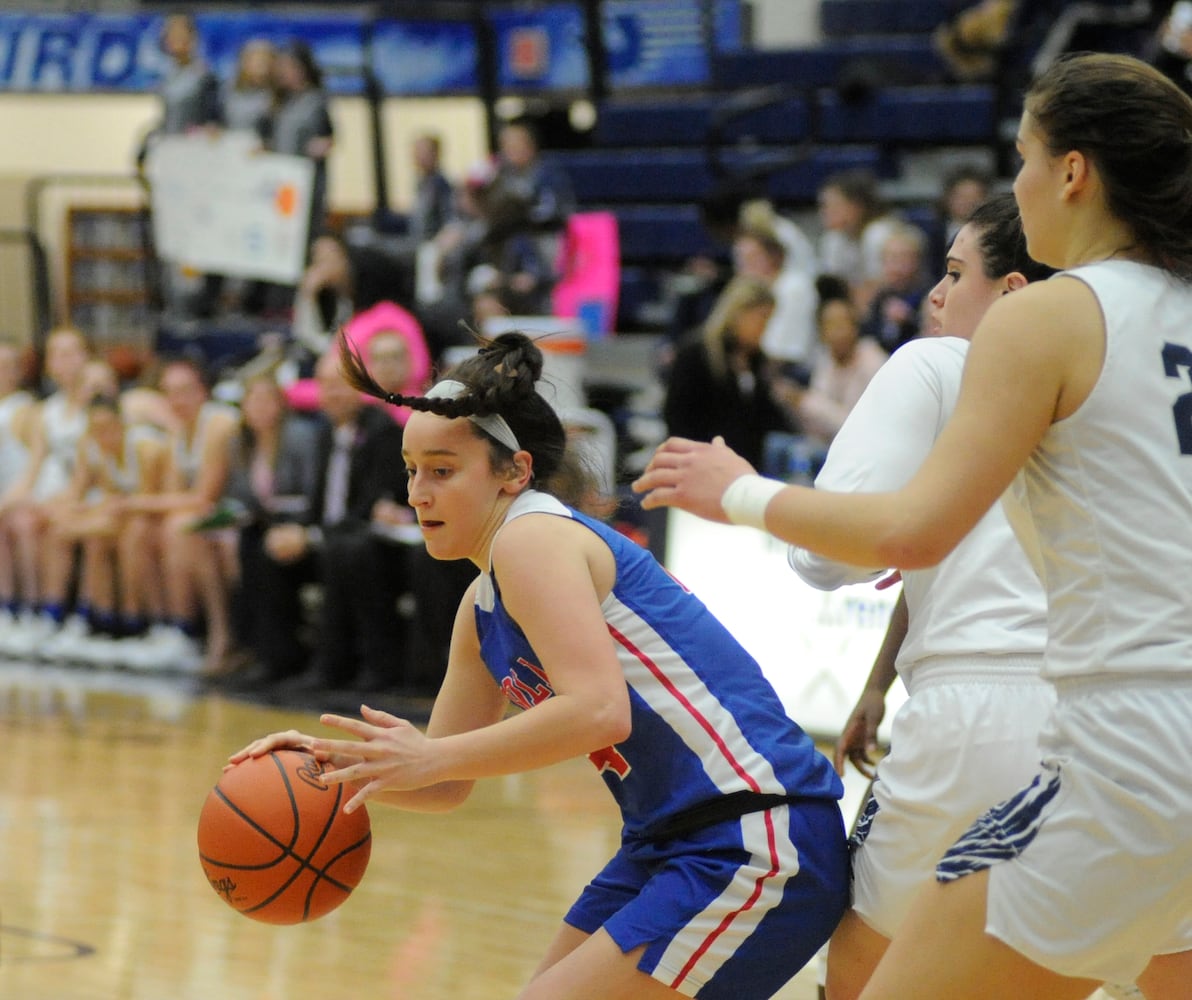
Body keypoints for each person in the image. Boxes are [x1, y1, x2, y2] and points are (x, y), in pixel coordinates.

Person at [634, 52, 1192, 999]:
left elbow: (913, 532)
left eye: (1022, 156)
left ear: (1073, 171)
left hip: (1126, 745)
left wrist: (737, 490)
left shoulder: (1047, 315)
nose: (1013, 181)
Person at [230, 329, 850, 1000]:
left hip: (754, 833)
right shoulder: (482, 603)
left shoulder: (534, 538)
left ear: (514, 472)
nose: (418, 493)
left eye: (442, 470)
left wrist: (431, 759)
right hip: (667, 842)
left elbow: (598, 709)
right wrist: (325, 766)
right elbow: (442, 781)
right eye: (411, 471)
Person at [788, 194, 1058, 1000]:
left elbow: (823, 557)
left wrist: (744, 495)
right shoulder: (1100, 381)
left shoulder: (937, 364)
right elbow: (985, 554)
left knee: (862, 970)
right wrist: (879, 680)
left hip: (974, 718)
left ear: (1012, 293)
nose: (935, 296)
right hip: (1111, 715)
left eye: (953, 272)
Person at [662, 275, 795, 470]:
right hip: (700, 468)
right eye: (761, 318)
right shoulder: (696, 353)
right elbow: (677, 418)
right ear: (738, 313)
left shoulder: (757, 361)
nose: (764, 328)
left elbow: (766, 417)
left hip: (746, 470)